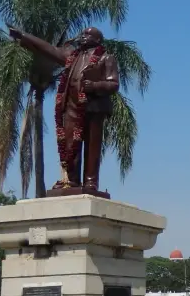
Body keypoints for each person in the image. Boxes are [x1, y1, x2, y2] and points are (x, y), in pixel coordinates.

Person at [8, 25, 119, 192]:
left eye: (88, 35)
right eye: (82, 34)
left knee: (92, 147)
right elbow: (50, 49)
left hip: (94, 108)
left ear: (97, 40)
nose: (83, 37)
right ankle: (72, 180)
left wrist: (95, 86)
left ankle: (90, 182)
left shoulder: (106, 58)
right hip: (71, 106)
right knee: (69, 144)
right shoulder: (72, 57)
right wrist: (24, 36)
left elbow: (114, 84)